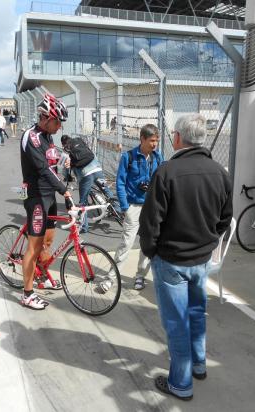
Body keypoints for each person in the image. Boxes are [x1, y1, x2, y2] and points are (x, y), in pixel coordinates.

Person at [139, 114, 233, 401]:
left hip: (172, 260)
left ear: (178, 138)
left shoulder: (167, 172)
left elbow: (150, 222)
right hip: (200, 260)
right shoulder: (219, 172)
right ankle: (199, 364)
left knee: (177, 322)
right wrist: (206, 242)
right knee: (195, 312)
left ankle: (180, 382)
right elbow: (224, 219)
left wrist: (150, 250)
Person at [20, 93, 72, 309]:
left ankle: (41, 278)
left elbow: (50, 164)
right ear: (45, 118)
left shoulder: (48, 137)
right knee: (34, 246)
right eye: (57, 121)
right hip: (37, 196)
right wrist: (65, 191)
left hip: (48, 195)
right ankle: (27, 293)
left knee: (48, 241)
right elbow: (42, 169)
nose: (60, 126)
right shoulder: (31, 136)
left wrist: (64, 161)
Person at [107, 124, 163, 291]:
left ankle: (140, 276)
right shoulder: (128, 157)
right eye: (152, 141)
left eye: (157, 141)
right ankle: (111, 277)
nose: (154, 144)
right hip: (133, 206)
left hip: (151, 207)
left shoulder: (157, 157)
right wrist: (125, 207)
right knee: (126, 243)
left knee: (147, 244)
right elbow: (120, 183)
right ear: (142, 139)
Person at [61, 134, 116, 233]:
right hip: (98, 170)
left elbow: (65, 169)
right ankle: (119, 211)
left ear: (63, 144)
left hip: (86, 176)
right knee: (107, 191)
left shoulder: (66, 150)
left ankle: (84, 227)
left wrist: (66, 177)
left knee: (83, 202)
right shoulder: (79, 141)